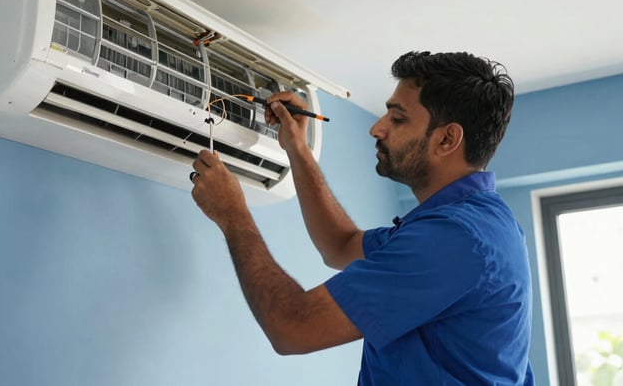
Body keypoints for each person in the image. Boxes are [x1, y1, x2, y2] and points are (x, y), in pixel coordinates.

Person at [190, 51, 534, 385]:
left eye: (397, 119)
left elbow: (292, 327)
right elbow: (339, 245)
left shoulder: (454, 240)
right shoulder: (471, 224)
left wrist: (233, 215)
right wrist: (298, 148)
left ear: (447, 139)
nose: (376, 128)